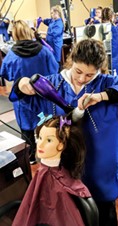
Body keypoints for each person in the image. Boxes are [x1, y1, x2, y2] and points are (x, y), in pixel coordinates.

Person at [9, 38, 118, 226]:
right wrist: (21, 84)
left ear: (99, 69)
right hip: (64, 174)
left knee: (105, 217)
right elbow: (21, 96)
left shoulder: (108, 84)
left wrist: (102, 96)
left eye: (89, 75)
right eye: (78, 71)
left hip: (100, 175)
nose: (82, 79)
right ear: (71, 61)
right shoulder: (52, 85)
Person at [12, 114, 91, 226]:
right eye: (39, 138)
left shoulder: (58, 184)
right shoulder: (44, 171)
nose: (40, 144)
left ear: (61, 145)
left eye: (49, 140)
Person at [0, 20, 59, 164]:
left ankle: (31, 157)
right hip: (44, 97)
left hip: (23, 101)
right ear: (28, 31)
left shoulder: (11, 56)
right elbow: (55, 70)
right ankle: (51, 155)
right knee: (48, 125)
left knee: (26, 130)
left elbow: (5, 74)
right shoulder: (44, 51)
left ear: (14, 34)